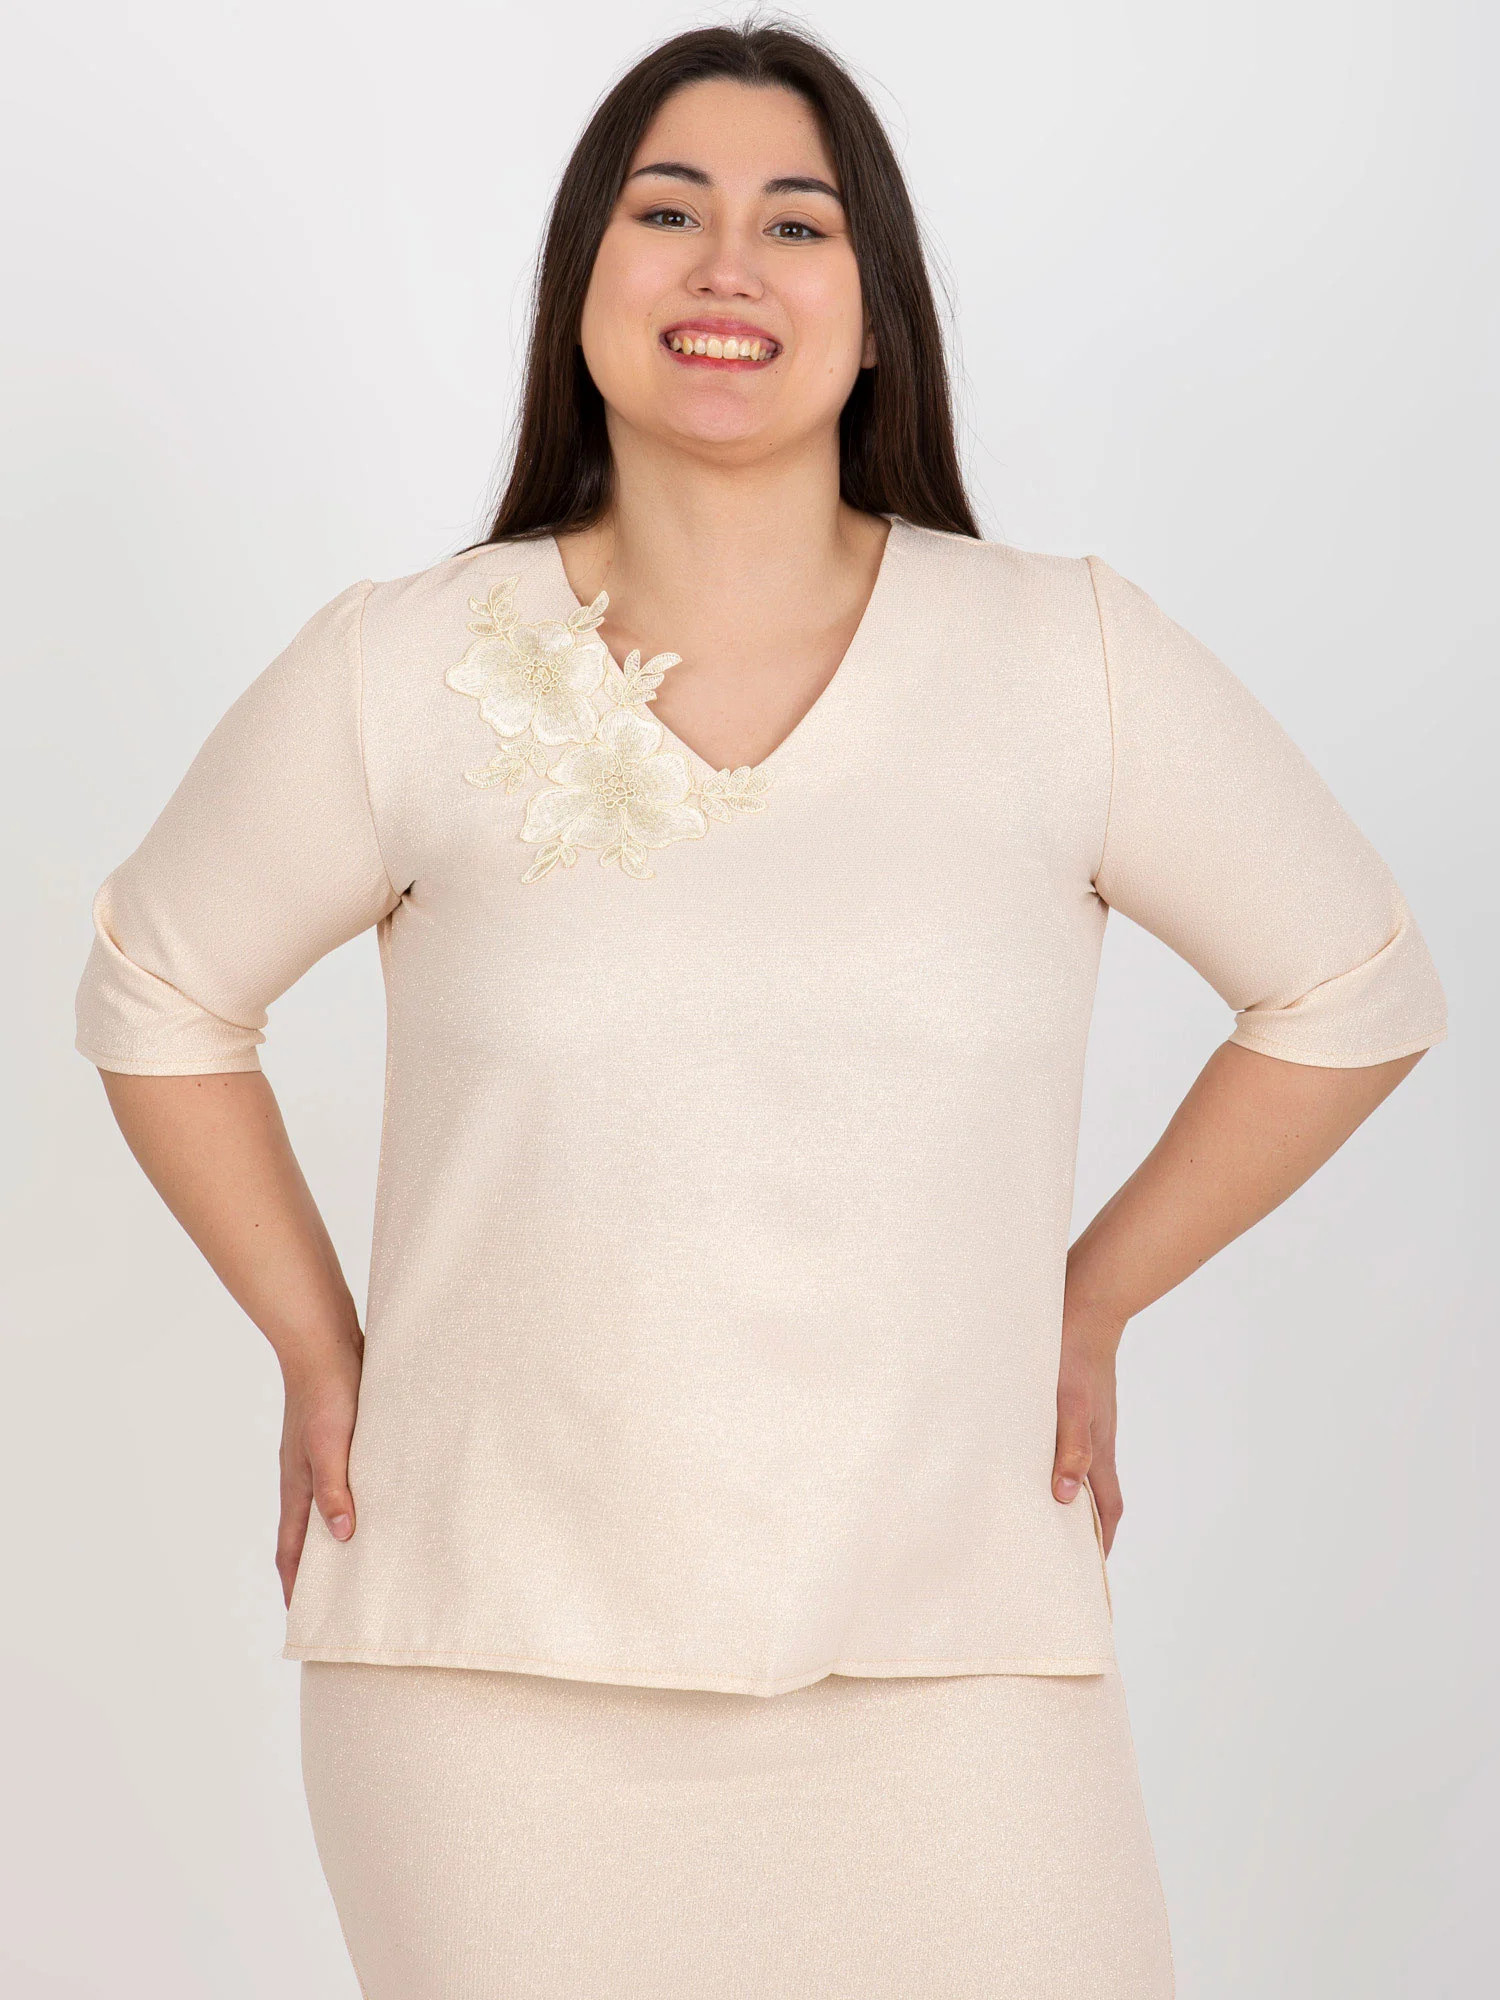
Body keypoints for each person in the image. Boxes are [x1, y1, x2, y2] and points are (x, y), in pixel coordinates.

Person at [73, 20, 1446, 2000]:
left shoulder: (1059, 657)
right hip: (487, 1694)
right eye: (668, 212)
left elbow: (1351, 984)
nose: (728, 265)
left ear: (876, 317)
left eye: (797, 223)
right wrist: (316, 1344)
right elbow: (159, 989)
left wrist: (1086, 1298)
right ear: (582, 282)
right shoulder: (411, 666)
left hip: (961, 1664)